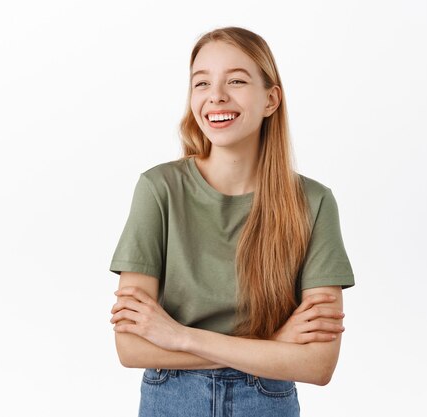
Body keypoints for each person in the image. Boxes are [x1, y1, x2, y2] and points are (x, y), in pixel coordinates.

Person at [108, 26, 355, 417]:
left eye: (236, 80)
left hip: (266, 401)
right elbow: (132, 348)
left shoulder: (313, 202)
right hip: (171, 399)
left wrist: (179, 337)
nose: (215, 96)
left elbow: (317, 364)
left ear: (271, 99)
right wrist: (272, 344)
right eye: (201, 83)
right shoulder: (159, 190)